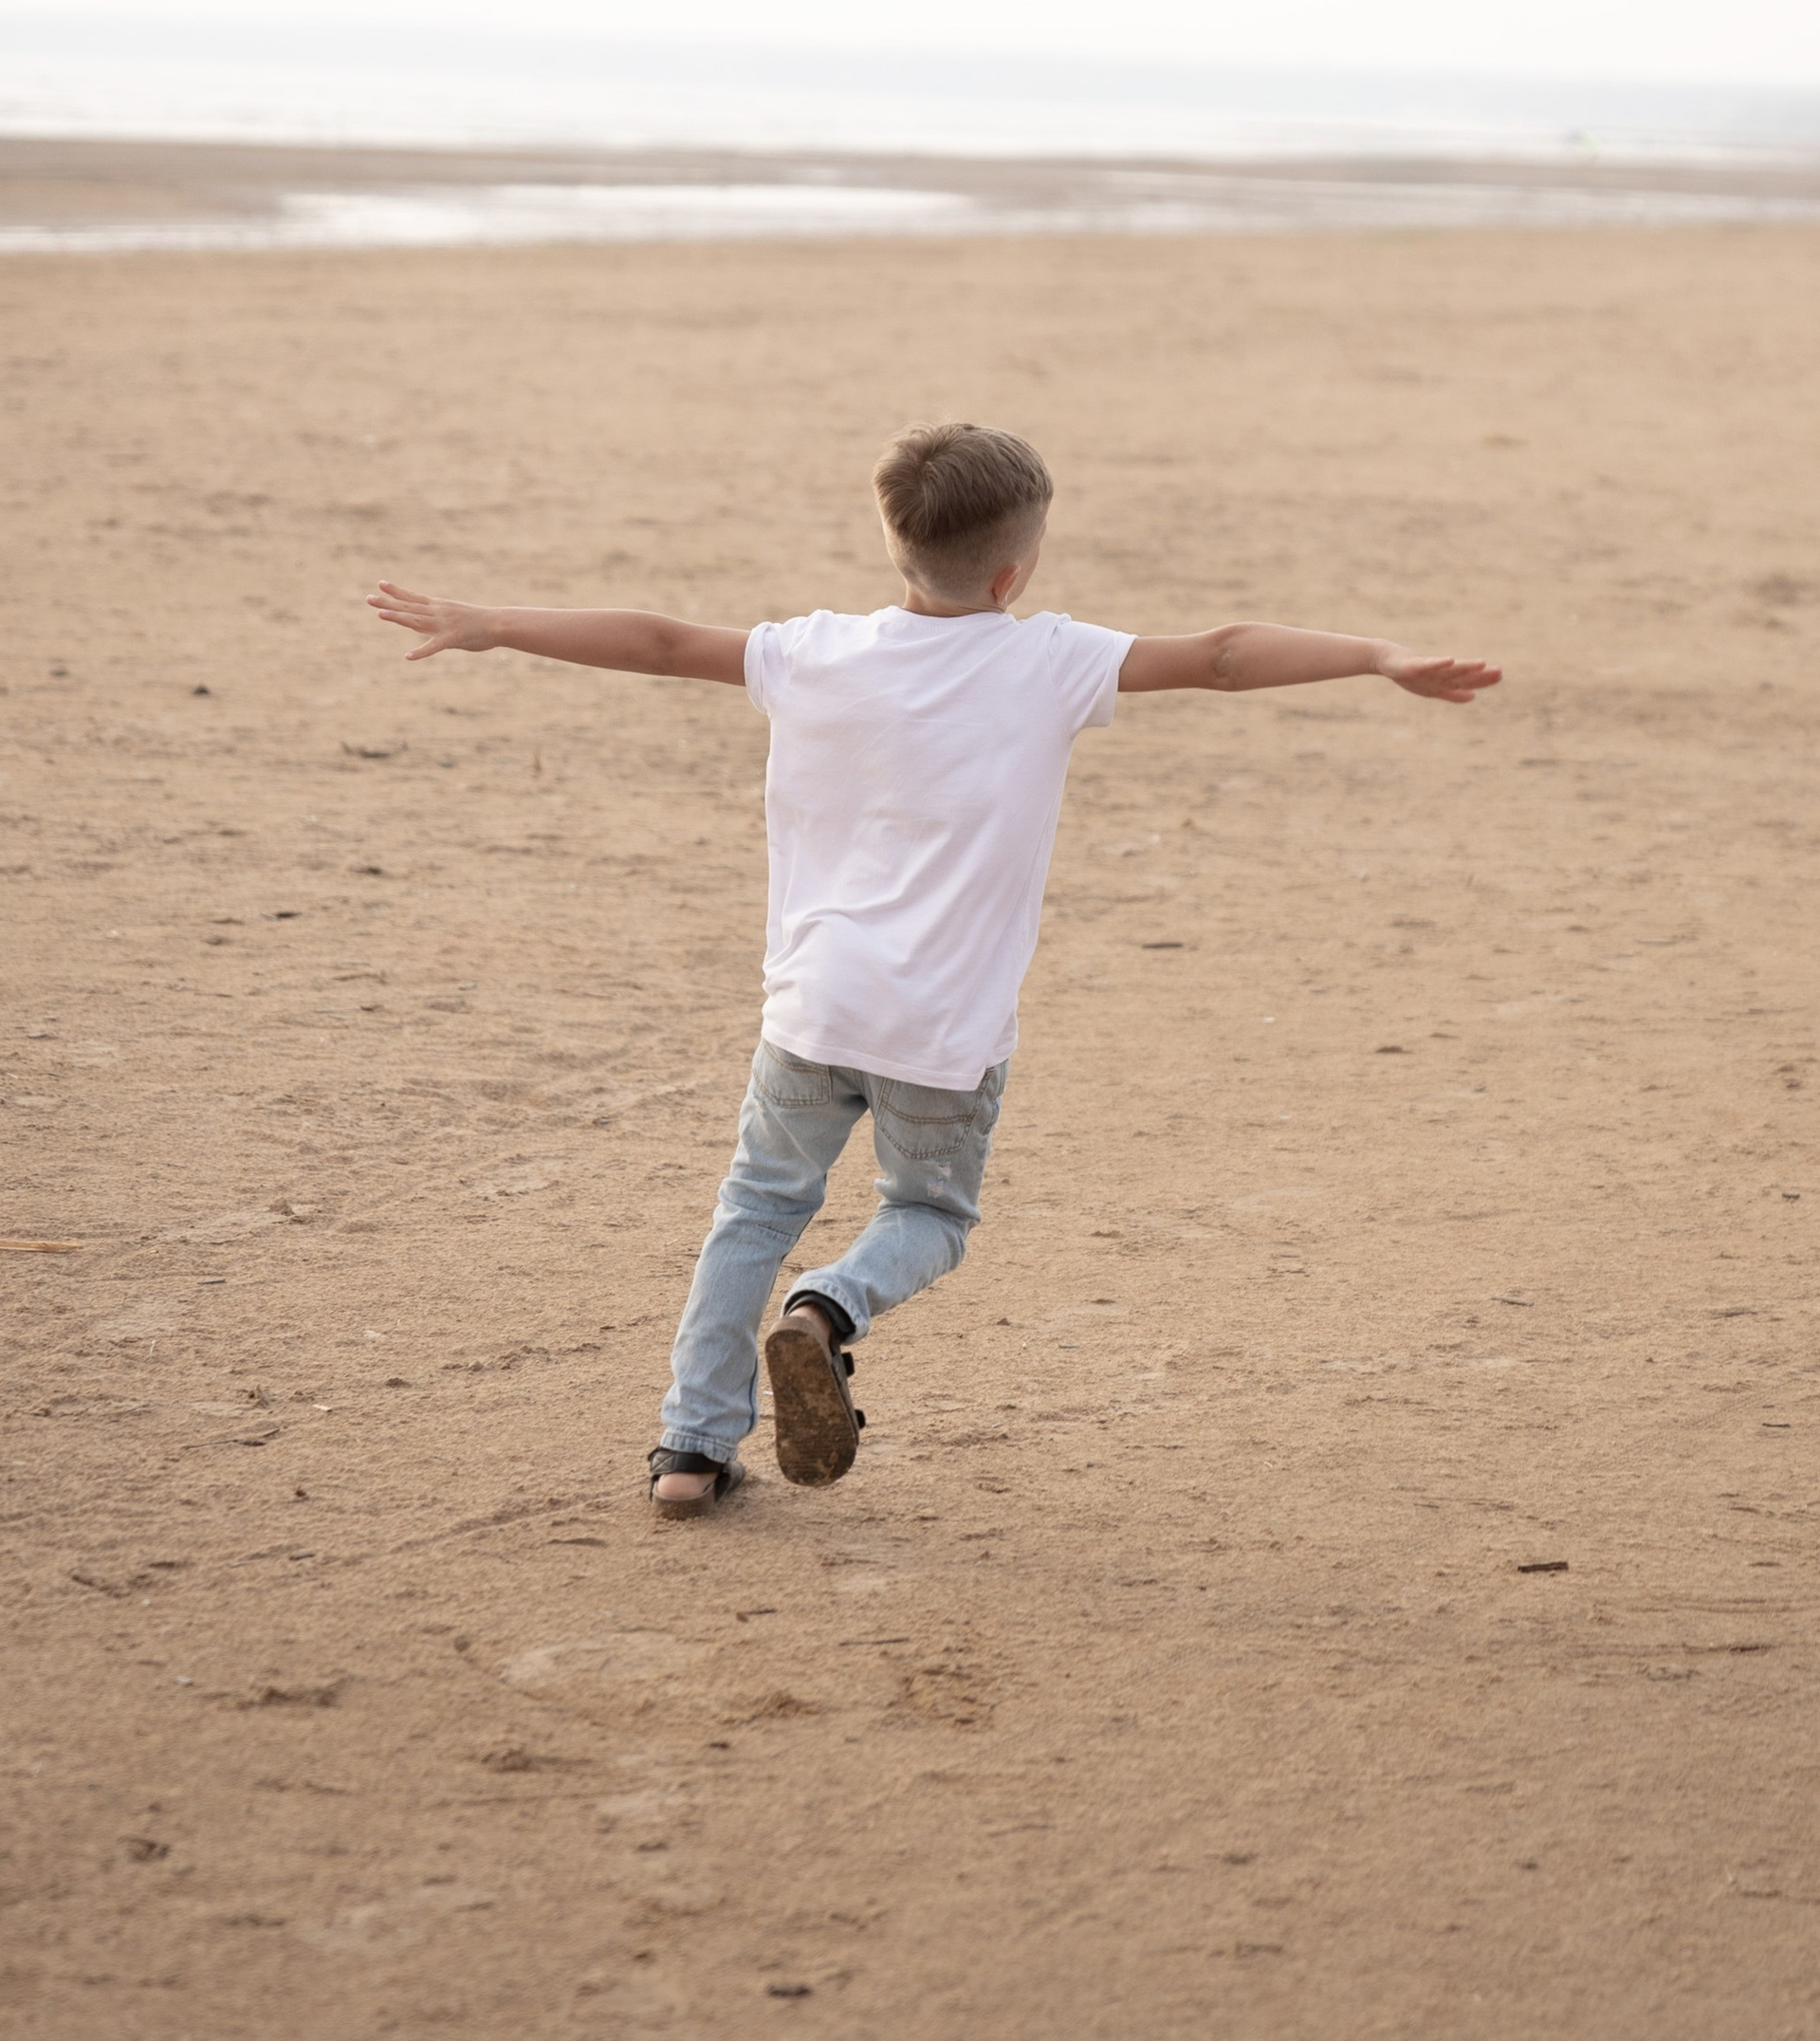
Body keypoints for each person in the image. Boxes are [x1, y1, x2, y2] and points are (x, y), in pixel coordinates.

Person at [367, 420, 1498, 1512]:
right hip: (944, 1032)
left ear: (893, 539)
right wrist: (1377, 656)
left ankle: (690, 1448)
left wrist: (494, 622)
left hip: (815, 1008)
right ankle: (826, 1312)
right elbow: (1221, 656)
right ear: (1016, 570)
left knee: (755, 1210)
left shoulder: (811, 651)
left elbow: (660, 641)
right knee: (929, 1214)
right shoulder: (1050, 659)